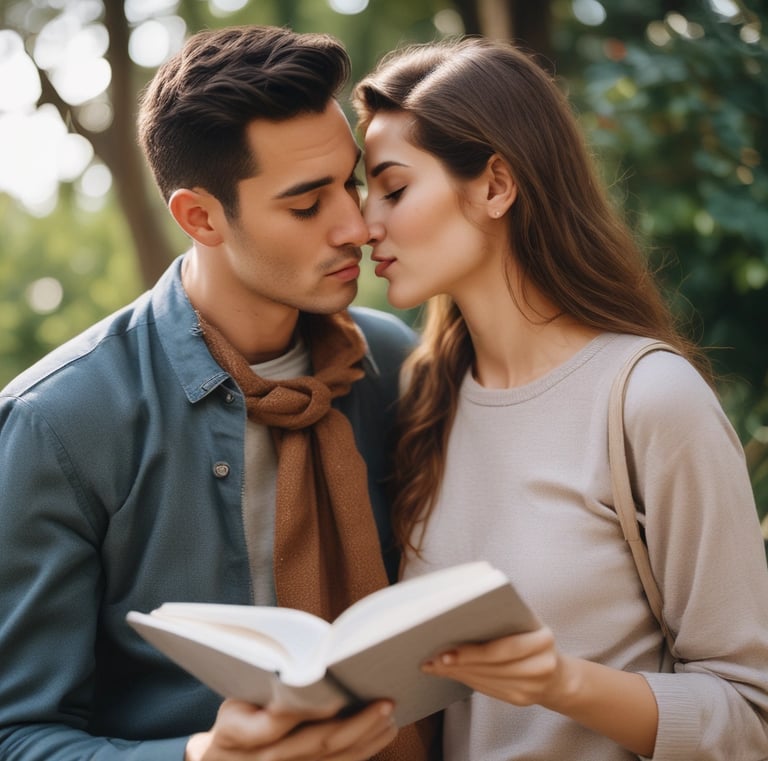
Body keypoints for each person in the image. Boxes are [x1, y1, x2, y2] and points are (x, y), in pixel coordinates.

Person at [0, 25, 433, 761]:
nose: (357, 226)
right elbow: (16, 734)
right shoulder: (60, 423)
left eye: (351, 182)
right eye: (305, 205)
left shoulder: (391, 364)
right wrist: (205, 758)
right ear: (199, 217)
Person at [354, 36, 768, 760]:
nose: (365, 224)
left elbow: (750, 712)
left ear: (495, 185)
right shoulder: (426, 398)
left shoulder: (649, 400)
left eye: (392, 189)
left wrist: (558, 681)